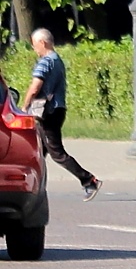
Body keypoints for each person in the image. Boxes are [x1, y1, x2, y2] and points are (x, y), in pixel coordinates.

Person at [21, 29, 102, 201]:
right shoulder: (58, 61)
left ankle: (89, 180)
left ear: (43, 43)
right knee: (37, 152)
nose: (35, 50)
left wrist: (25, 106)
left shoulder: (45, 62)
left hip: (48, 112)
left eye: (35, 46)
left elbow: (35, 87)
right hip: (57, 110)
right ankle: (32, 190)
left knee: (56, 152)